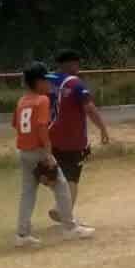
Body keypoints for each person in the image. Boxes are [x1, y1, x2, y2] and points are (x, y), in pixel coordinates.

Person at [12, 62, 94, 247]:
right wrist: (48, 152)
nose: (49, 84)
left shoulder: (22, 101)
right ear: (37, 82)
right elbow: (42, 127)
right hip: (39, 151)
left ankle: (22, 235)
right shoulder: (42, 100)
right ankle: (70, 228)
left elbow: (16, 126)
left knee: (27, 193)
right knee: (62, 187)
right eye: (45, 80)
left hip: (24, 151)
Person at [46, 50, 112, 225]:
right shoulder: (75, 83)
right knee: (73, 177)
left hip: (50, 135)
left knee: (59, 173)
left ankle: (60, 206)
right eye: (76, 63)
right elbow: (89, 108)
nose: (78, 67)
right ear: (68, 64)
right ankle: (63, 212)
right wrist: (103, 128)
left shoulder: (47, 80)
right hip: (73, 137)